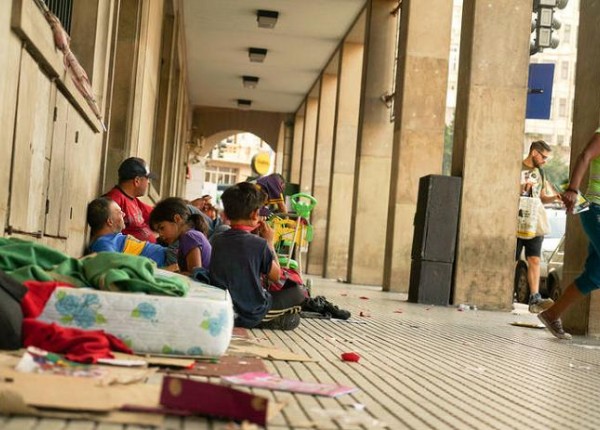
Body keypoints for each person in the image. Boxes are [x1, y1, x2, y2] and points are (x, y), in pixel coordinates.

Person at [210, 182, 305, 330]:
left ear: (226, 214)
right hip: (250, 311)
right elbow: (276, 276)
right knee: (298, 292)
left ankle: (280, 318)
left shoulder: (217, 239)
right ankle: (266, 320)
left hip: (224, 307)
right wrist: (269, 243)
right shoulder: (259, 244)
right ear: (255, 214)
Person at [538, 128, 600, 340]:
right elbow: (585, 156)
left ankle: (552, 314)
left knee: (595, 276)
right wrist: (573, 189)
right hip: (596, 209)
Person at [516, 140, 561, 313]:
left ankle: (534, 297)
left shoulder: (540, 173)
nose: (545, 161)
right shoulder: (517, 167)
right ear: (534, 152)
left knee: (534, 258)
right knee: (512, 259)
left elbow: (541, 196)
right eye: (543, 157)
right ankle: (504, 291)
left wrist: (554, 197)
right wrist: (521, 189)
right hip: (517, 219)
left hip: (534, 221)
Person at [86, 197, 167, 267]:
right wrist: (164, 270)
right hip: (167, 261)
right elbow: (112, 265)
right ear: (110, 221)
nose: (124, 214)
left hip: (169, 253)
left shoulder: (113, 238)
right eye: (119, 212)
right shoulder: (103, 243)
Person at [149, 197, 212, 277]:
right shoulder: (188, 236)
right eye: (158, 232)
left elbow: (195, 275)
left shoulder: (190, 237)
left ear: (177, 219)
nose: (160, 235)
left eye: (162, 228)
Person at [104, 157, 157, 243]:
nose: (148, 182)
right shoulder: (114, 200)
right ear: (137, 181)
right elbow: (106, 236)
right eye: (147, 178)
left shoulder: (134, 200)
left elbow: (157, 214)